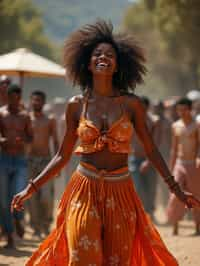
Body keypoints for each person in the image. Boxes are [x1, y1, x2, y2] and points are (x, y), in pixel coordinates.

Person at [12, 20, 200, 265]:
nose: (103, 57)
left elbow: (152, 149)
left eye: (110, 55)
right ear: (87, 64)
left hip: (121, 191)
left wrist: (176, 190)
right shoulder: (76, 105)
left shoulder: (131, 105)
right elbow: (61, 156)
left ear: (118, 65)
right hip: (84, 188)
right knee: (82, 256)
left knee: (116, 261)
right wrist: (31, 188)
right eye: (97, 54)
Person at [0, 84, 33, 248]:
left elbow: (30, 138)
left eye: (17, 97)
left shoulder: (25, 116)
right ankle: (9, 233)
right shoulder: (1, 114)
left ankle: (19, 220)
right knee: (4, 199)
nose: (15, 100)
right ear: (8, 96)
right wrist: (3, 140)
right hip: (4, 159)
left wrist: (23, 140)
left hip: (20, 160)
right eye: (12, 97)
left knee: (19, 194)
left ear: (20, 97)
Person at [27, 90, 59, 238]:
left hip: (46, 161)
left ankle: (46, 224)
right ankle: (36, 227)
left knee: (46, 196)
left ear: (43, 102)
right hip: (29, 161)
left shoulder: (50, 119)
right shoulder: (26, 119)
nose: (36, 103)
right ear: (30, 101)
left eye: (39, 100)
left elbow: (56, 142)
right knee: (31, 197)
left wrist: (58, 164)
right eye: (34, 100)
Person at [167, 98, 200, 235]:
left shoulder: (197, 126)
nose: (181, 112)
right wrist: (170, 167)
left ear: (190, 109)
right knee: (176, 194)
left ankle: (198, 227)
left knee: (196, 194)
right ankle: (175, 226)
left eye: (184, 109)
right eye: (179, 110)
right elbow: (174, 149)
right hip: (180, 164)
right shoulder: (175, 126)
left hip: (193, 165)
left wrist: (198, 157)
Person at [128, 96, 159, 219]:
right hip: (134, 159)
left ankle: (150, 212)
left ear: (147, 107)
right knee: (137, 187)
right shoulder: (131, 120)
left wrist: (148, 161)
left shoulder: (154, 121)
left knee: (151, 187)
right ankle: (139, 214)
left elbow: (155, 142)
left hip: (150, 159)